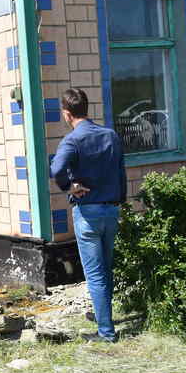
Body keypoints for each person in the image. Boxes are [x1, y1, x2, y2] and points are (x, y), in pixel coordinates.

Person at [50, 88, 126, 343]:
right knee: (106, 268)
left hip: (88, 213)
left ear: (66, 113)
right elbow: (120, 172)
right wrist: (120, 203)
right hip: (111, 209)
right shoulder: (110, 135)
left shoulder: (72, 140)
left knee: (94, 273)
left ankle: (106, 332)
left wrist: (69, 187)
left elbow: (57, 168)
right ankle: (103, 315)